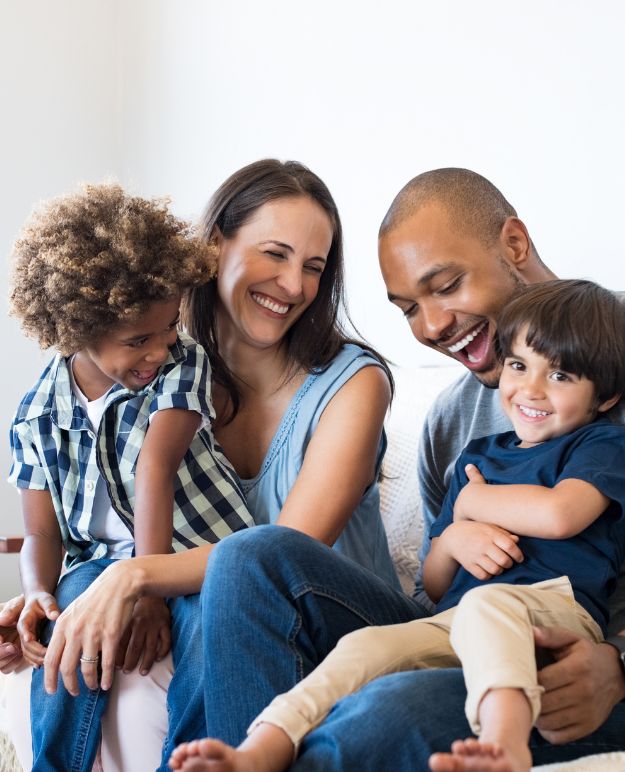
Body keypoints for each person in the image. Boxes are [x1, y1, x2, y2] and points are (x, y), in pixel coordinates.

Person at [163, 168, 625, 770]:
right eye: (409, 308)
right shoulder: (453, 423)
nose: (432, 327)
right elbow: (438, 588)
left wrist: (617, 665)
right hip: (464, 629)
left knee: (382, 715)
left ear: (513, 245)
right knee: (249, 557)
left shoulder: (609, 377)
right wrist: (456, 534)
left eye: (447, 285)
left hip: (574, 654)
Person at [0, 159, 408, 770]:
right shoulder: (148, 355)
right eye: (276, 254)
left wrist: (136, 576)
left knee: (223, 591)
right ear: (215, 245)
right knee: (91, 635)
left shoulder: (353, 384)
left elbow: (276, 559)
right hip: (220, 612)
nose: (294, 285)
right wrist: (48, 598)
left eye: (314, 268)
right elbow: (75, 514)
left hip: (327, 626)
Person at [7, 182, 254, 771]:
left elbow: (155, 468)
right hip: (96, 564)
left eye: (168, 327)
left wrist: (147, 587)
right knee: (69, 620)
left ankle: (192, 761)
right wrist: (39, 593)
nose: (159, 348)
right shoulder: (37, 413)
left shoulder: (180, 362)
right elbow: (43, 534)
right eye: (137, 340)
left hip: (199, 551)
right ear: (75, 330)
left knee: (205, 631)